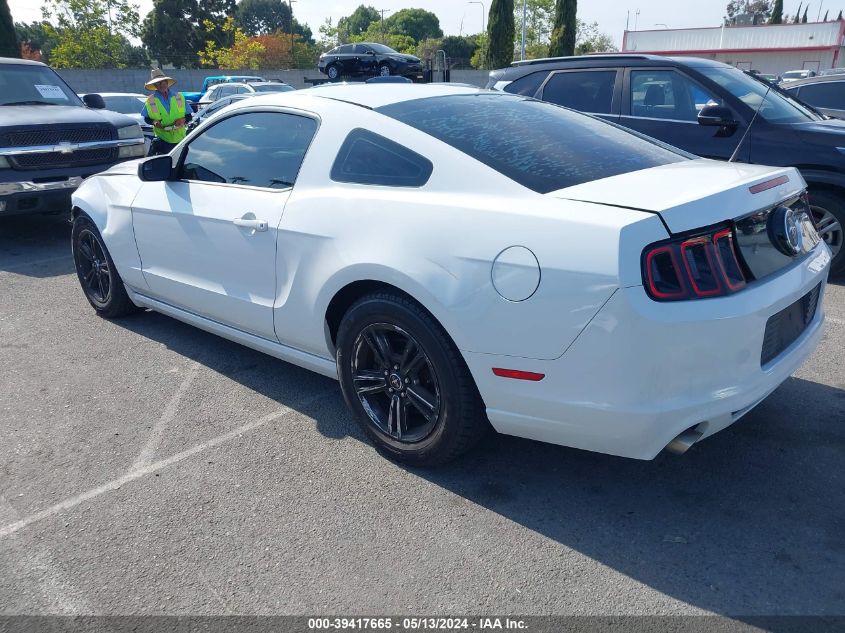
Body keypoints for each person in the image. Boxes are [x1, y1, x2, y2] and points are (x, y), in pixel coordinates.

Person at [141, 68, 192, 156]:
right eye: (158, 83)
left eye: (163, 82)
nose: (161, 85)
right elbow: (146, 118)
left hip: (181, 139)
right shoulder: (150, 100)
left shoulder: (179, 97)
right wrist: (154, 122)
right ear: (155, 86)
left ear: (167, 82)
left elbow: (189, 116)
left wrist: (183, 120)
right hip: (162, 140)